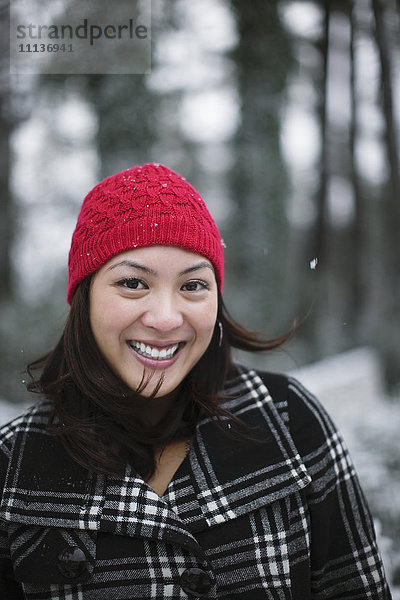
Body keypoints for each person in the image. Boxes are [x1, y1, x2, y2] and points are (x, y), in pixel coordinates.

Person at [0, 162, 391, 599]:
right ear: (84, 297)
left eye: (193, 286)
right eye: (133, 283)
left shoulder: (289, 419)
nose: (166, 319)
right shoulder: (13, 461)